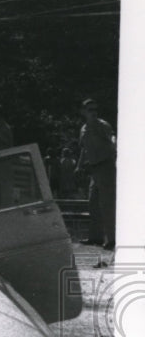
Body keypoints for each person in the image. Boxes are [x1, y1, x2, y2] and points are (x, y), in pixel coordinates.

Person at [76, 98, 117, 249]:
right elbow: (83, 149)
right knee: (93, 204)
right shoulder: (84, 129)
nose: (93, 112)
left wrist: (113, 148)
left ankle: (112, 239)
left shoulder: (102, 125)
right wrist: (79, 166)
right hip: (94, 169)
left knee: (107, 205)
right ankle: (96, 237)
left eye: (95, 109)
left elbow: (113, 138)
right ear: (83, 112)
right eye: (90, 110)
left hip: (106, 167)